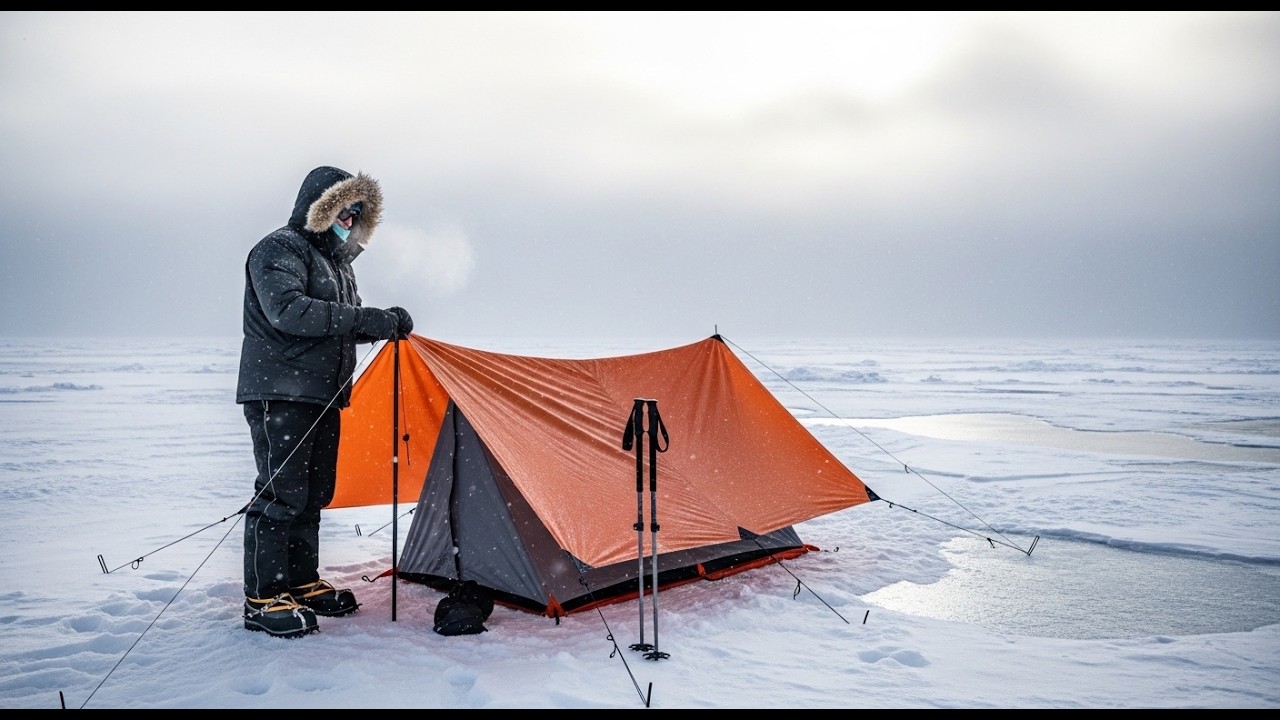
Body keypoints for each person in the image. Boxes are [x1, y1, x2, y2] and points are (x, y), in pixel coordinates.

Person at [236, 166, 414, 638]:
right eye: (343, 209)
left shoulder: (339, 265)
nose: (349, 219)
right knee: (281, 494)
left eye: (357, 213)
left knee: (314, 494)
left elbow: (337, 325)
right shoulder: (278, 249)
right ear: (319, 206)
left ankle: (300, 581)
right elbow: (288, 311)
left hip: (323, 394)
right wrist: (363, 317)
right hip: (280, 392)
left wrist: (380, 323)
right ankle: (263, 598)